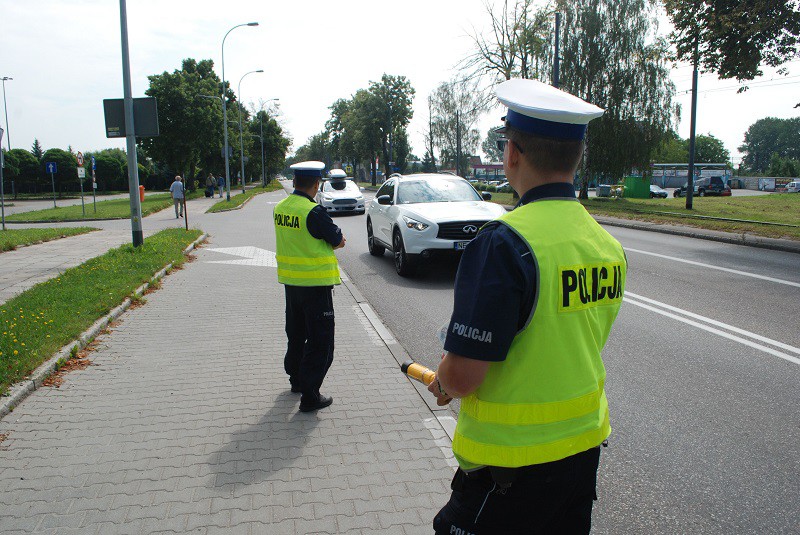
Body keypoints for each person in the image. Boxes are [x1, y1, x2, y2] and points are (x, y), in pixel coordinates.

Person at [427, 79, 627, 534]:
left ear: (512, 154)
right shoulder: (607, 245)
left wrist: (444, 377)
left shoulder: (503, 244)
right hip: (580, 458)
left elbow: (461, 377)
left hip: (509, 474)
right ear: (577, 159)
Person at [273, 161, 346, 412]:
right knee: (321, 342)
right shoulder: (313, 212)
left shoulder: (281, 208)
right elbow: (337, 240)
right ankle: (310, 396)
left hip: (291, 285)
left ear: (294, 182)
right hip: (315, 286)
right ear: (316, 184)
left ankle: (296, 380)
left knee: (296, 335)